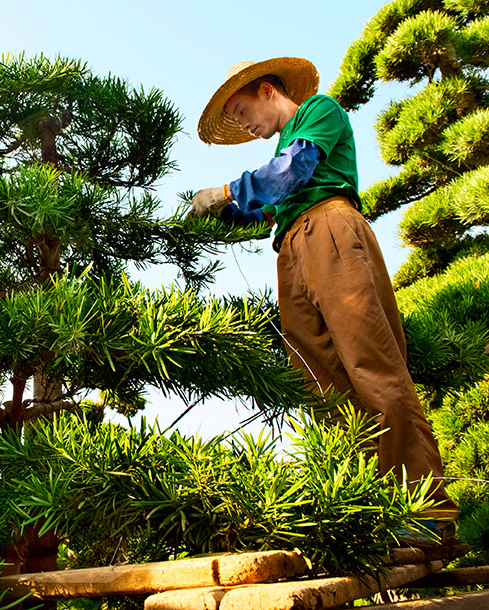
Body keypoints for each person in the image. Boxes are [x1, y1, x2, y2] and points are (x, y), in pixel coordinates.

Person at [191, 57, 457, 542]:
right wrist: (219, 216)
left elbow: (291, 173)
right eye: (233, 119)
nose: (242, 124)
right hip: (292, 249)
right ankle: (365, 514)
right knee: (319, 384)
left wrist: (228, 190)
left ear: (267, 90)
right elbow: (264, 213)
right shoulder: (280, 149)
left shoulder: (319, 112)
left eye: (241, 110)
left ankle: (426, 513)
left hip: (330, 229)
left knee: (371, 364)